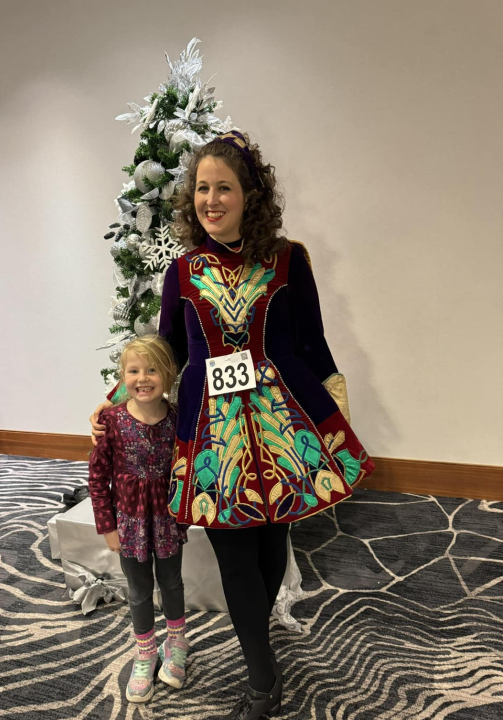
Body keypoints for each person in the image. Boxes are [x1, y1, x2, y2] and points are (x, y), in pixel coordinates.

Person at [91, 131, 375, 720]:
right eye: (202, 188)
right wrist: (116, 397)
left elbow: (311, 342)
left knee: (273, 544)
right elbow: (165, 349)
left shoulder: (288, 257)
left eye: (224, 187)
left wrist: (336, 412)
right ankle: (262, 678)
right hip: (210, 435)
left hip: (284, 429)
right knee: (233, 555)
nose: (211, 200)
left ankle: (256, 640)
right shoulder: (183, 270)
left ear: (250, 195)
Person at [88, 335, 189, 704]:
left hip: (167, 520)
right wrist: (107, 525)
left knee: (172, 582)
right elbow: (97, 476)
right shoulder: (111, 421)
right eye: (133, 370)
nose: (142, 378)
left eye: (152, 370)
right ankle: (146, 651)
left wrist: (185, 517)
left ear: (169, 374)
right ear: (122, 376)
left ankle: (177, 642)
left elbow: (188, 470)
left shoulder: (179, 418)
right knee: (138, 590)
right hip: (128, 523)